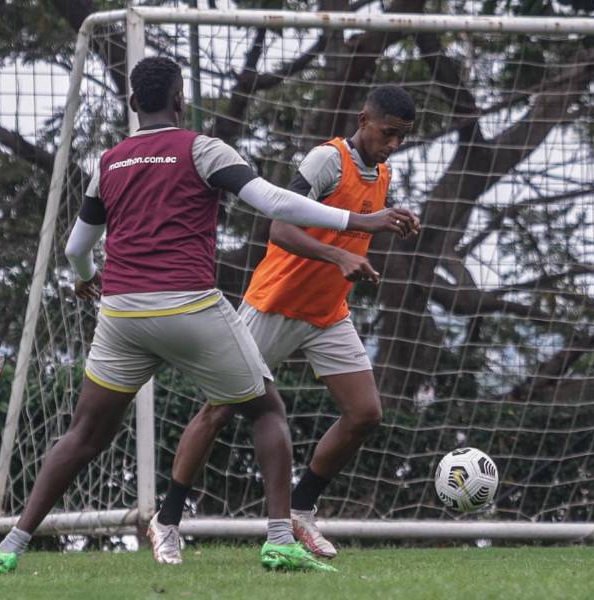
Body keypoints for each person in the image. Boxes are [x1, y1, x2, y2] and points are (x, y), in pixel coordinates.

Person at [0, 57, 412, 574]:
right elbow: (273, 202)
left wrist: (84, 277)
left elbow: (76, 246)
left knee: (83, 435)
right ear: (181, 101)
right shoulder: (202, 149)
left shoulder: (110, 161)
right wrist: (361, 221)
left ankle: (12, 546)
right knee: (267, 410)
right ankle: (277, 538)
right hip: (188, 306)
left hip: (119, 314)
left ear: (135, 103)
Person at [149, 86, 419, 562]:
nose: (393, 143)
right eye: (388, 133)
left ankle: (301, 509)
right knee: (220, 410)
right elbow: (279, 226)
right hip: (274, 305)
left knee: (366, 414)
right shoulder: (326, 160)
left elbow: (356, 229)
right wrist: (338, 254)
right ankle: (167, 518)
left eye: (402, 137)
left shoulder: (382, 174)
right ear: (363, 119)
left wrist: (381, 230)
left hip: (328, 313)